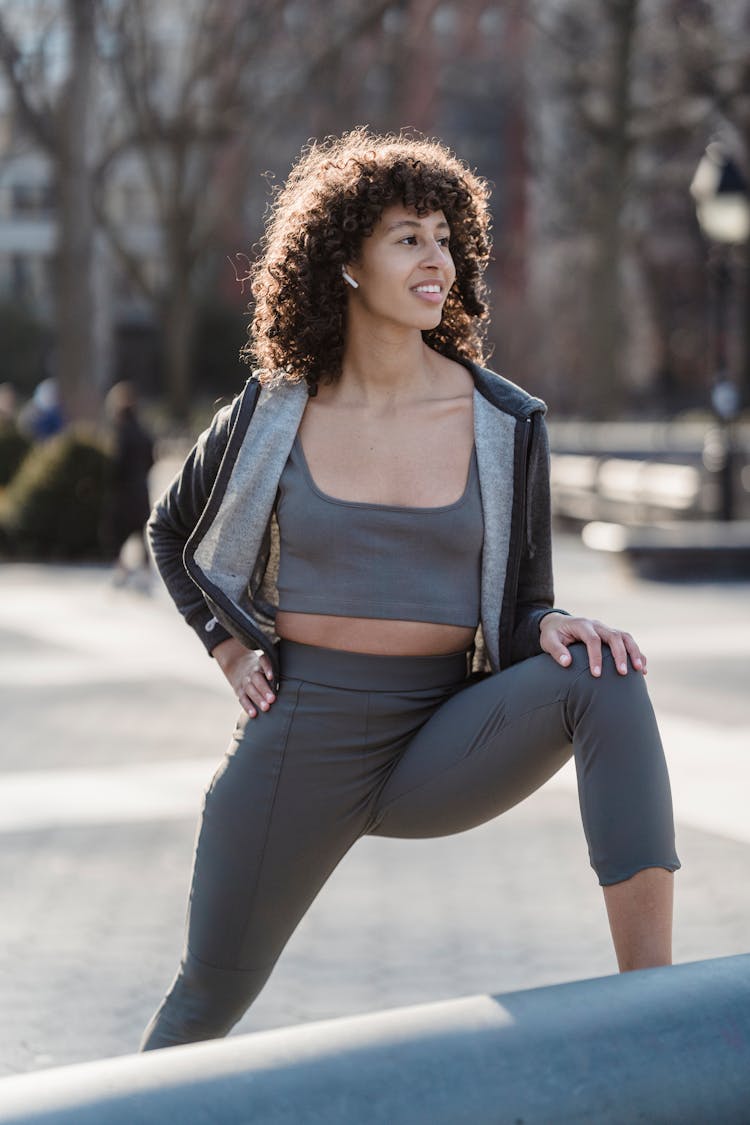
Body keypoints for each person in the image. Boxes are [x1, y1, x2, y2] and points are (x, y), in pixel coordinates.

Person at [141, 128, 680, 1050]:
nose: (438, 260)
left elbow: (522, 602)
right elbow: (171, 530)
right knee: (202, 1005)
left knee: (608, 673)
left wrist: (554, 626)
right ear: (345, 261)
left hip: (443, 735)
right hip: (299, 738)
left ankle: (655, 1017)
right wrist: (228, 647)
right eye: (407, 238)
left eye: (445, 236)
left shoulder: (505, 420)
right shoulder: (274, 408)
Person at [103, 380, 155, 588]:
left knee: (115, 532)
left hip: (123, 492)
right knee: (140, 532)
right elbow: (152, 458)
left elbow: (117, 464)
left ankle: (121, 568)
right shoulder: (143, 432)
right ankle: (143, 570)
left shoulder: (121, 434)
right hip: (140, 489)